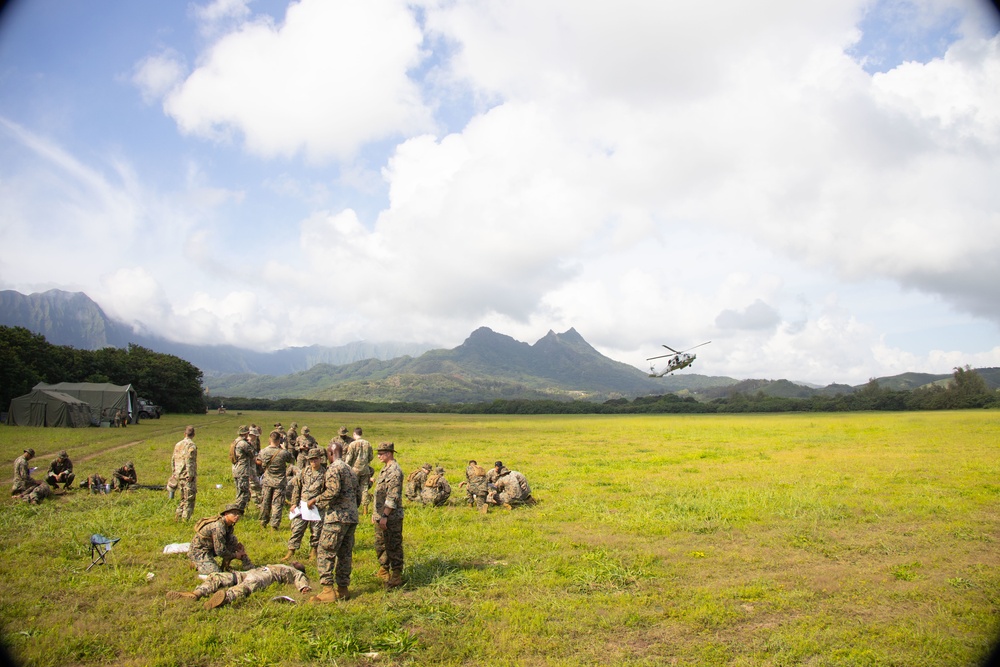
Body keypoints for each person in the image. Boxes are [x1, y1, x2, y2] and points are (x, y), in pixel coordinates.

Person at [309, 441, 360, 602]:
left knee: (325, 551)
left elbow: (333, 490)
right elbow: (358, 494)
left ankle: (327, 590)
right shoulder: (350, 470)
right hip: (351, 518)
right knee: (345, 554)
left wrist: (315, 500)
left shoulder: (333, 469)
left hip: (336, 517)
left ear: (330, 454)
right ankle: (343, 588)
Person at [167, 562, 311, 610]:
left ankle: (225, 597)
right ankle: (196, 594)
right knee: (218, 577)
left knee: (248, 585)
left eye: (299, 563)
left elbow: (301, 578)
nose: (296, 562)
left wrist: (303, 587)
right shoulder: (279, 564)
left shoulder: (294, 571)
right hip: (253, 571)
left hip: (266, 576)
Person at [283, 448, 326, 563]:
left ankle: (313, 551)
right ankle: (291, 551)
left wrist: (319, 503)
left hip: (316, 507)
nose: (313, 462)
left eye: (315, 459)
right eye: (311, 460)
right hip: (302, 505)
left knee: (316, 531)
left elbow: (326, 492)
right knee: (297, 528)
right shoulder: (304, 471)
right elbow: (297, 488)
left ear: (320, 459)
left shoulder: (325, 474)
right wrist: (293, 504)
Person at [372, 442, 404, 589]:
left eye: (382, 453)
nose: (378, 455)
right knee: (381, 544)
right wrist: (376, 514)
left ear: (390, 453)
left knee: (393, 545)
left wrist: (385, 515)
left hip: (391, 516)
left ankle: (396, 574)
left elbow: (392, 496)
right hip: (381, 514)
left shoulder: (394, 471)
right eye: (378, 452)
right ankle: (383, 569)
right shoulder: (385, 469)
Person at [189, 503, 253, 575]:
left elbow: (226, 543)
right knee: (215, 572)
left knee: (233, 539)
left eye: (238, 513)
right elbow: (220, 551)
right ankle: (196, 563)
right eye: (234, 513)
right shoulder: (219, 527)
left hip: (210, 548)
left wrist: (238, 549)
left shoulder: (229, 526)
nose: (237, 516)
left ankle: (225, 566)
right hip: (199, 551)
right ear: (226, 514)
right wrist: (235, 555)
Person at [257, 430, 295, 529]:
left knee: (265, 502)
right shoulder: (283, 453)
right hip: (279, 481)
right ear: (279, 440)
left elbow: (259, 461)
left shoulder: (264, 451)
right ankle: (274, 525)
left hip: (267, 480)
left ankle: (263, 521)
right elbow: (292, 460)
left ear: (270, 439)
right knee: (277, 504)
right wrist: (284, 448)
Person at [343, 427, 373, 514]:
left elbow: (348, 459)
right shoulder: (368, 443)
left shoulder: (352, 444)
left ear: (354, 434)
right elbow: (371, 457)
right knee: (364, 489)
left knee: (352, 489)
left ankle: (352, 509)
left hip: (354, 470)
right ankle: (365, 510)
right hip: (365, 469)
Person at [171, 426, 198, 521]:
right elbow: (189, 460)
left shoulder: (178, 444)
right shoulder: (191, 445)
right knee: (189, 498)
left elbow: (173, 459)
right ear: (193, 434)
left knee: (182, 497)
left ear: (184, 433)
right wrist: (190, 474)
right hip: (187, 476)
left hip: (178, 475)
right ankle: (185, 519)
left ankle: (178, 516)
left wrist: (174, 473)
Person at [230, 425, 256, 511]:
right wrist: (251, 444)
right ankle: (238, 511)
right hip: (242, 470)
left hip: (235, 469)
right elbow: (252, 454)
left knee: (239, 491)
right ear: (246, 433)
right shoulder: (243, 444)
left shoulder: (235, 441)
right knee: (243, 493)